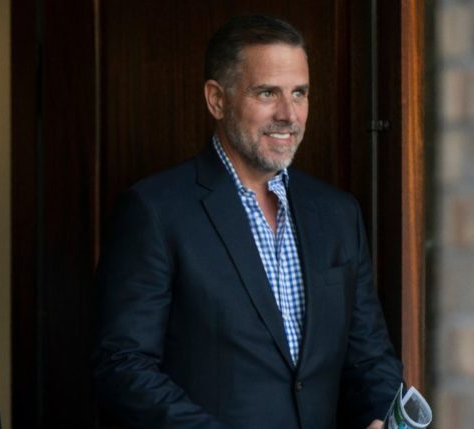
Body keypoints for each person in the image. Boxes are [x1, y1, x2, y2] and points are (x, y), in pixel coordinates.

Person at [92, 14, 403, 429]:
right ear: (217, 100)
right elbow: (123, 364)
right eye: (267, 93)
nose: (289, 114)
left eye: (300, 93)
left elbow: (371, 357)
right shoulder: (155, 209)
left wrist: (381, 415)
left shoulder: (338, 213)